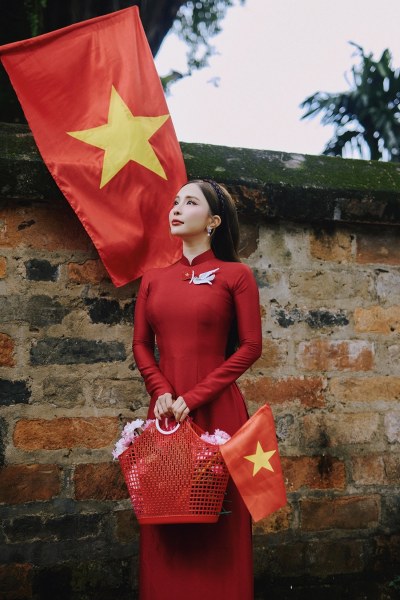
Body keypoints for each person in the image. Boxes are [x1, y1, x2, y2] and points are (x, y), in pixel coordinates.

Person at [132, 179, 262, 600]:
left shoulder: (236, 275)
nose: (177, 208)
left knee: (221, 520)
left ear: (213, 221)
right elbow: (140, 344)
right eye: (175, 201)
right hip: (166, 413)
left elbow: (251, 347)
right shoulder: (152, 279)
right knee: (164, 514)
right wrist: (161, 391)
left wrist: (194, 397)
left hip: (218, 412)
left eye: (190, 202)